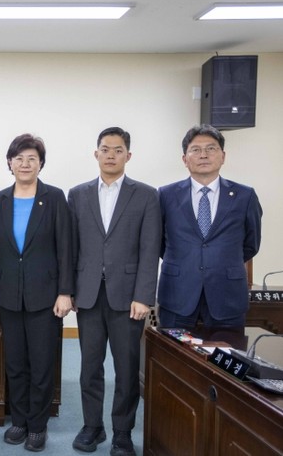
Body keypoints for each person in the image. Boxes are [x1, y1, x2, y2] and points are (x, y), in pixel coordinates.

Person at [68, 127, 161, 456]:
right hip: (89, 295)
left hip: (128, 297)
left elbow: (150, 249)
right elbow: (71, 248)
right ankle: (92, 426)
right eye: (105, 149)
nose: (111, 155)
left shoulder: (146, 195)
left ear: (128, 155)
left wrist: (144, 296)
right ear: (96, 154)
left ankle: (123, 432)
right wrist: (70, 290)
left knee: (126, 368)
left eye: (118, 150)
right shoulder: (77, 194)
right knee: (89, 367)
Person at [0, 133, 73, 452]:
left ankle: (38, 425)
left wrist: (65, 292)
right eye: (19, 158)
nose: (25, 164)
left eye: (31, 159)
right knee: (15, 363)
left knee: (41, 364)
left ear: (40, 164)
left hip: (45, 297)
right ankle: (19, 421)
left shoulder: (54, 198)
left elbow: (66, 248)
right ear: (10, 163)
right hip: (9, 295)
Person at [158, 124, 263, 328]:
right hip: (178, 293)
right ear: (184, 159)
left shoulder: (245, 196)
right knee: (173, 349)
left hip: (227, 295)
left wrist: (220, 261)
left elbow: (251, 243)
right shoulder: (165, 195)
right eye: (196, 150)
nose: (203, 155)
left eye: (211, 148)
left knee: (227, 348)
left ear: (223, 156)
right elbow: (158, 242)